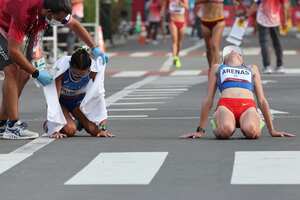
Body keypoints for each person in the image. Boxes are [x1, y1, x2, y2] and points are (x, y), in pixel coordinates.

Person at [0, 0, 108, 139]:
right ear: (48, 13)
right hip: (4, 24)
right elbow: (14, 51)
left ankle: (2, 122)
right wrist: (37, 72)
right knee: (12, 70)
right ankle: (13, 126)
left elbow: (74, 25)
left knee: (24, 73)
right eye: (59, 19)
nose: (61, 22)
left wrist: (94, 47)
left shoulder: (53, 8)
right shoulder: (23, 12)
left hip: (22, 25)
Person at [181, 45, 295, 139]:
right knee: (225, 131)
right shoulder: (217, 68)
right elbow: (208, 99)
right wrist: (200, 130)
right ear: (224, 60)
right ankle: (218, 120)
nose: (233, 52)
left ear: (242, 60)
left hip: (248, 106)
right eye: (229, 52)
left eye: (238, 53)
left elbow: (261, 100)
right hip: (225, 106)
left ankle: (256, 121)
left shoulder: (252, 68)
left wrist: (272, 130)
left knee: (252, 132)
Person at [44, 48, 113, 139]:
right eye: (75, 74)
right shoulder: (62, 70)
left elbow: (99, 97)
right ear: (70, 67)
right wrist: (54, 129)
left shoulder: (93, 72)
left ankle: (78, 121)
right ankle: (47, 124)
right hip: (61, 103)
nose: (78, 77)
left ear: (89, 70)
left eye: (82, 75)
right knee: (70, 130)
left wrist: (103, 128)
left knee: (95, 131)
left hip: (76, 103)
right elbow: (53, 100)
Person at [246, 0, 289, 74]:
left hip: (263, 20)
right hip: (275, 19)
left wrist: (246, 15)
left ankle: (267, 66)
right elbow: (285, 5)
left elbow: (256, 4)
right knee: (277, 42)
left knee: (264, 43)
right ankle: (280, 65)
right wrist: (285, 20)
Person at [194, 0, 225, 71]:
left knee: (215, 45)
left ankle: (217, 71)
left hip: (219, 21)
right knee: (208, 48)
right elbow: (196, 2)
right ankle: (211, 69)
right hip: (205, 21)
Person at [161, 0, 189, 69]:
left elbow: (187, 7)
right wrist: (162, 14)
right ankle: (175, 58)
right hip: (173, 21)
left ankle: (177, 55)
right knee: (174, 41)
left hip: (182, 22)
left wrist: (181, 4)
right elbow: (164, 7)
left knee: (179, 42)